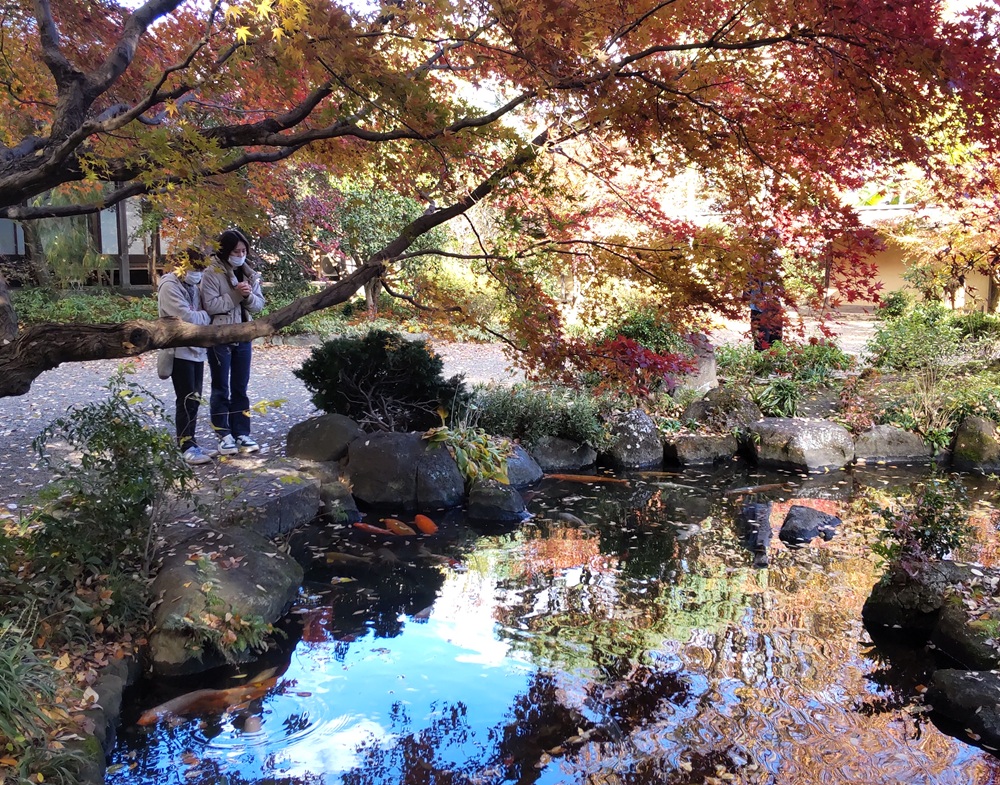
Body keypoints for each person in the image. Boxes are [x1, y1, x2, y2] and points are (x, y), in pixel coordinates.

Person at [201, 228, 265, 455]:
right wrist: (236, 294)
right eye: (236, 250)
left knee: (241, 387)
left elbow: (258, 305)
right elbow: (211, 306)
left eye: (244, 250)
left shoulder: (250, 274)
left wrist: (247, 295)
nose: (240, 254)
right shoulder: (211, 274)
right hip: (220, 336)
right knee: (221, 387)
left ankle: (242, 432)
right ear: (226, 251)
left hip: (244, 336)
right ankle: (223, 434)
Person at [157, 250, 215, 465]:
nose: (198, 273)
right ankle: (186, 446)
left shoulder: (192, 286)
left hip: (196, 349)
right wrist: (204, 316)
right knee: (186, 398)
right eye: (195, 268)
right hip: (179, 350)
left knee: (195, 399)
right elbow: (188, 318)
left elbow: (200, 313)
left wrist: (202, 316)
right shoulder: (170, 285)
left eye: (201, 269)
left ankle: (192, 441)